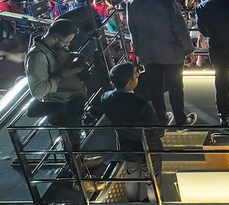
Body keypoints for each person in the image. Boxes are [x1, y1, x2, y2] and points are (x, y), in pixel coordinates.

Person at [24, 19, 103, 184]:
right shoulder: (37, 57)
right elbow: (37, 91)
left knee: (75, 139)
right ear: (54, 38)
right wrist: (61, 75)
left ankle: (80, 163)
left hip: (72, 101)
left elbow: (62, 60)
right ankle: (80, 179)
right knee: (70, 144)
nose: (67, 45)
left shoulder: (55, 46)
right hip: (60, 106)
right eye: (66, 42)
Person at [126, 0, 197, 127]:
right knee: (175, 87)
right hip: (172, 53)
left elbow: (133, 31)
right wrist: (189, 50)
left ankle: (161, 119)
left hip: (148, 54)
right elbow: (179, 29)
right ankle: (180, 120)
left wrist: (138, 52)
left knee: (155, 87)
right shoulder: (168, 2)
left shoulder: (132, 3)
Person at [99, 62, 163, 203]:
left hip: (126, 145)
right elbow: (157, 130)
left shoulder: (106, 97)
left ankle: (133, 201)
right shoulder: (141, 104)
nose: (138, 77)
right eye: (136, 76)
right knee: (152, 178)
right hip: (146, 147)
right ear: (129, 83)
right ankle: (154, 202)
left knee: (132, 175)